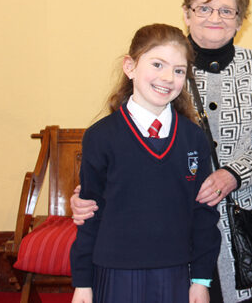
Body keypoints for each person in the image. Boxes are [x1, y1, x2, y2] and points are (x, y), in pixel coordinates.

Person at [71, 0, 252, 303]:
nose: (216, 17)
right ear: (187, 12)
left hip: (237, 221)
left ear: (241, 20)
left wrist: (233, 175)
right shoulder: (168, 57)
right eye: (205, 7)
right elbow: (118, 161)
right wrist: (86, 198)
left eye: (227, 10)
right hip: (172, 238)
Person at [69, 24, 221, 303]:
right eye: (157, 64)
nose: (168, 77)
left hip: (175, 273)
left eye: (178, 70)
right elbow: (89, 214)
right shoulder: (101, 136)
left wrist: (200, 279)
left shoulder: (193, 138)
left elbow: (204, 214)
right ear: (130, 67)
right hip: (114, 273)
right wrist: (82, 281)